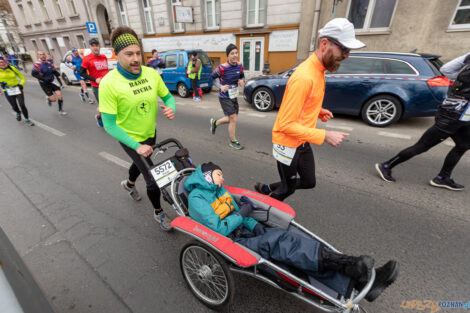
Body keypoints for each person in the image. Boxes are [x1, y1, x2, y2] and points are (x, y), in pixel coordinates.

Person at [185, 162, 399, 302]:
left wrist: (254, 224)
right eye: (218, 175)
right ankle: (351, 266)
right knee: (281, 242)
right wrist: (243, 215)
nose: (222, 178)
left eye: (221, 174)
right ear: (206, 177)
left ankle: (356, 279)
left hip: (245, 232)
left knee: (295, 243)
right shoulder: (196, 199)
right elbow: (217, 228)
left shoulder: (221, 190)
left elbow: (242, 213)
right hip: (229, 241)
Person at [254, 18, 362, 201]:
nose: (347, 55)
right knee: (287, 189)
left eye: (348, 50)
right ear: (324, 44)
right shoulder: (305, 77)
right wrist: (325, 135)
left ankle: (266, 188)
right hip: (288, 143)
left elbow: (305, 101)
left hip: (302, 140)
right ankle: (261, 211)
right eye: (344, 49)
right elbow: (286, 124)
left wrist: (317, 110)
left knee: (309, 181)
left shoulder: (318, 70)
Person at [99, 26, 176, 231]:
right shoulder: (109, 83)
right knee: (152, 178)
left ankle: (129, 184)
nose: (135, 59)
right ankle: (159, 213)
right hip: (129, 138)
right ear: (117, 55)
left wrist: (171, 108)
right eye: (129, 54)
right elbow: (109, 124)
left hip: (150, 133)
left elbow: (168, 96)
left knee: (141, 163)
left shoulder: (151, 74)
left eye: (138, 53)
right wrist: (136, 145)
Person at [375, 52, 470, 191]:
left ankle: (443, 177)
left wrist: (459, 82)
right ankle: (387, 165)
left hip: (461, 113)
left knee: (463, 145)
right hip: (453, 115)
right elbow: (446, 71)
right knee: (423, 145)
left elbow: (446, 70)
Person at [209, 44, 245, 150]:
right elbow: (211, 78)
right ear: (228, 55)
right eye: (232, 53)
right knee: (233, 118)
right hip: (224, 97)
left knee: (231, 119)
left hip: (234, 95)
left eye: (236, 53)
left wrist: (242, 79)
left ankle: (215, 123)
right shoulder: (222, 67)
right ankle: (233, 141)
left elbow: (242, 75)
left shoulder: (239, 65)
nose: (235, 55)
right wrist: (220, 86)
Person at [80, 38, 109, 127]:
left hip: (107, 85)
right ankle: (99, 117)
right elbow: (82, 73)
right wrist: (94, 79)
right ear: (90, 47)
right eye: (93, 46)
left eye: (96, 45)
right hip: (97, 86)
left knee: (111, 103)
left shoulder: (103, 57)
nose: (95, 47)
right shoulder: (87, 59)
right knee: (103, 106)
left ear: (99, 46)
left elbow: (105, 70)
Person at [0, 58, 34, 126]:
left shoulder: (12, 68)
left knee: (22, 104)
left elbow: (22, 77)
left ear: (5, 62)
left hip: (17, 88)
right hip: (7, 91)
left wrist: (21, 84)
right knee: (14, 106)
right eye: (0, 63)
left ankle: (27, 119)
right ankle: (18, 112)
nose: (2, 63)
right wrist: (1, 84)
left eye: (2, 62)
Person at [32, 51, 67, 115]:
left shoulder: (49, 63)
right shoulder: (37, 64)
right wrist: (44, 79)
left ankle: (60, 110)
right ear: (38, 56)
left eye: (43, 54)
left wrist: (56, 73)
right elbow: (34, 74)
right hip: (44, 83)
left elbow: (53, 70)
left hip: (52, 81)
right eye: (40, 55)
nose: (42, 55)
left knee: (59, 95)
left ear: (45, 55)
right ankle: (49, 99)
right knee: (53, 100)